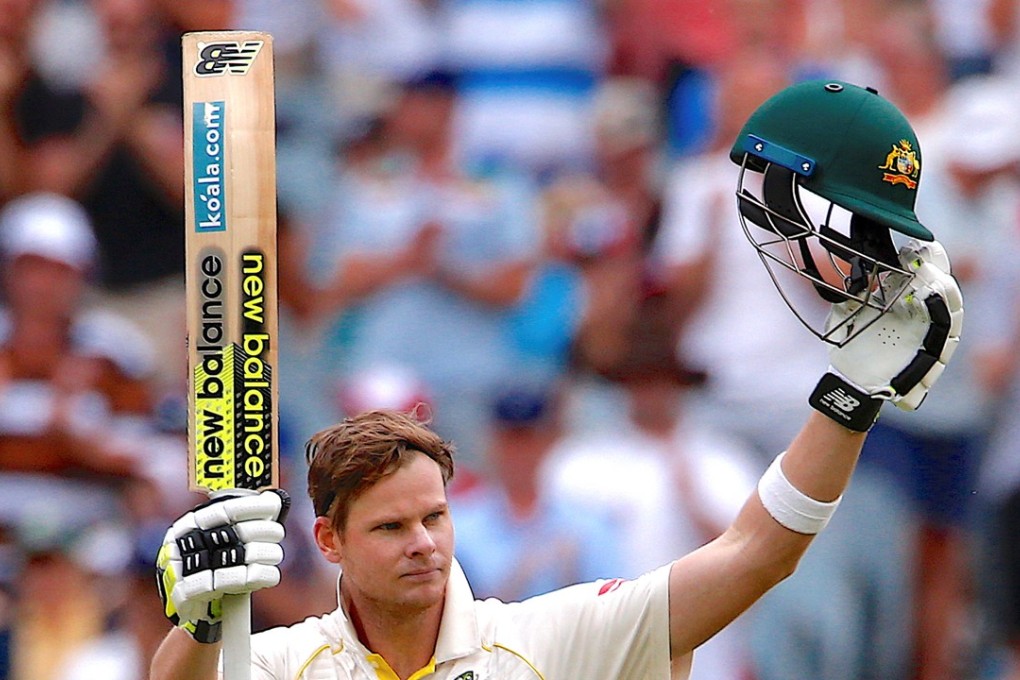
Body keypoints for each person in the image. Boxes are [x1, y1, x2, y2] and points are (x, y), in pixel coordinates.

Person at [148, 80, 962, 680]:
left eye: (433, 516)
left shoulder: (550, 640)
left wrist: (851, 402)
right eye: (392, 529)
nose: (425, 544)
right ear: (327, 543)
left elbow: (756, 556)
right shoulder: (288, 662)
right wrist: (200, 617)